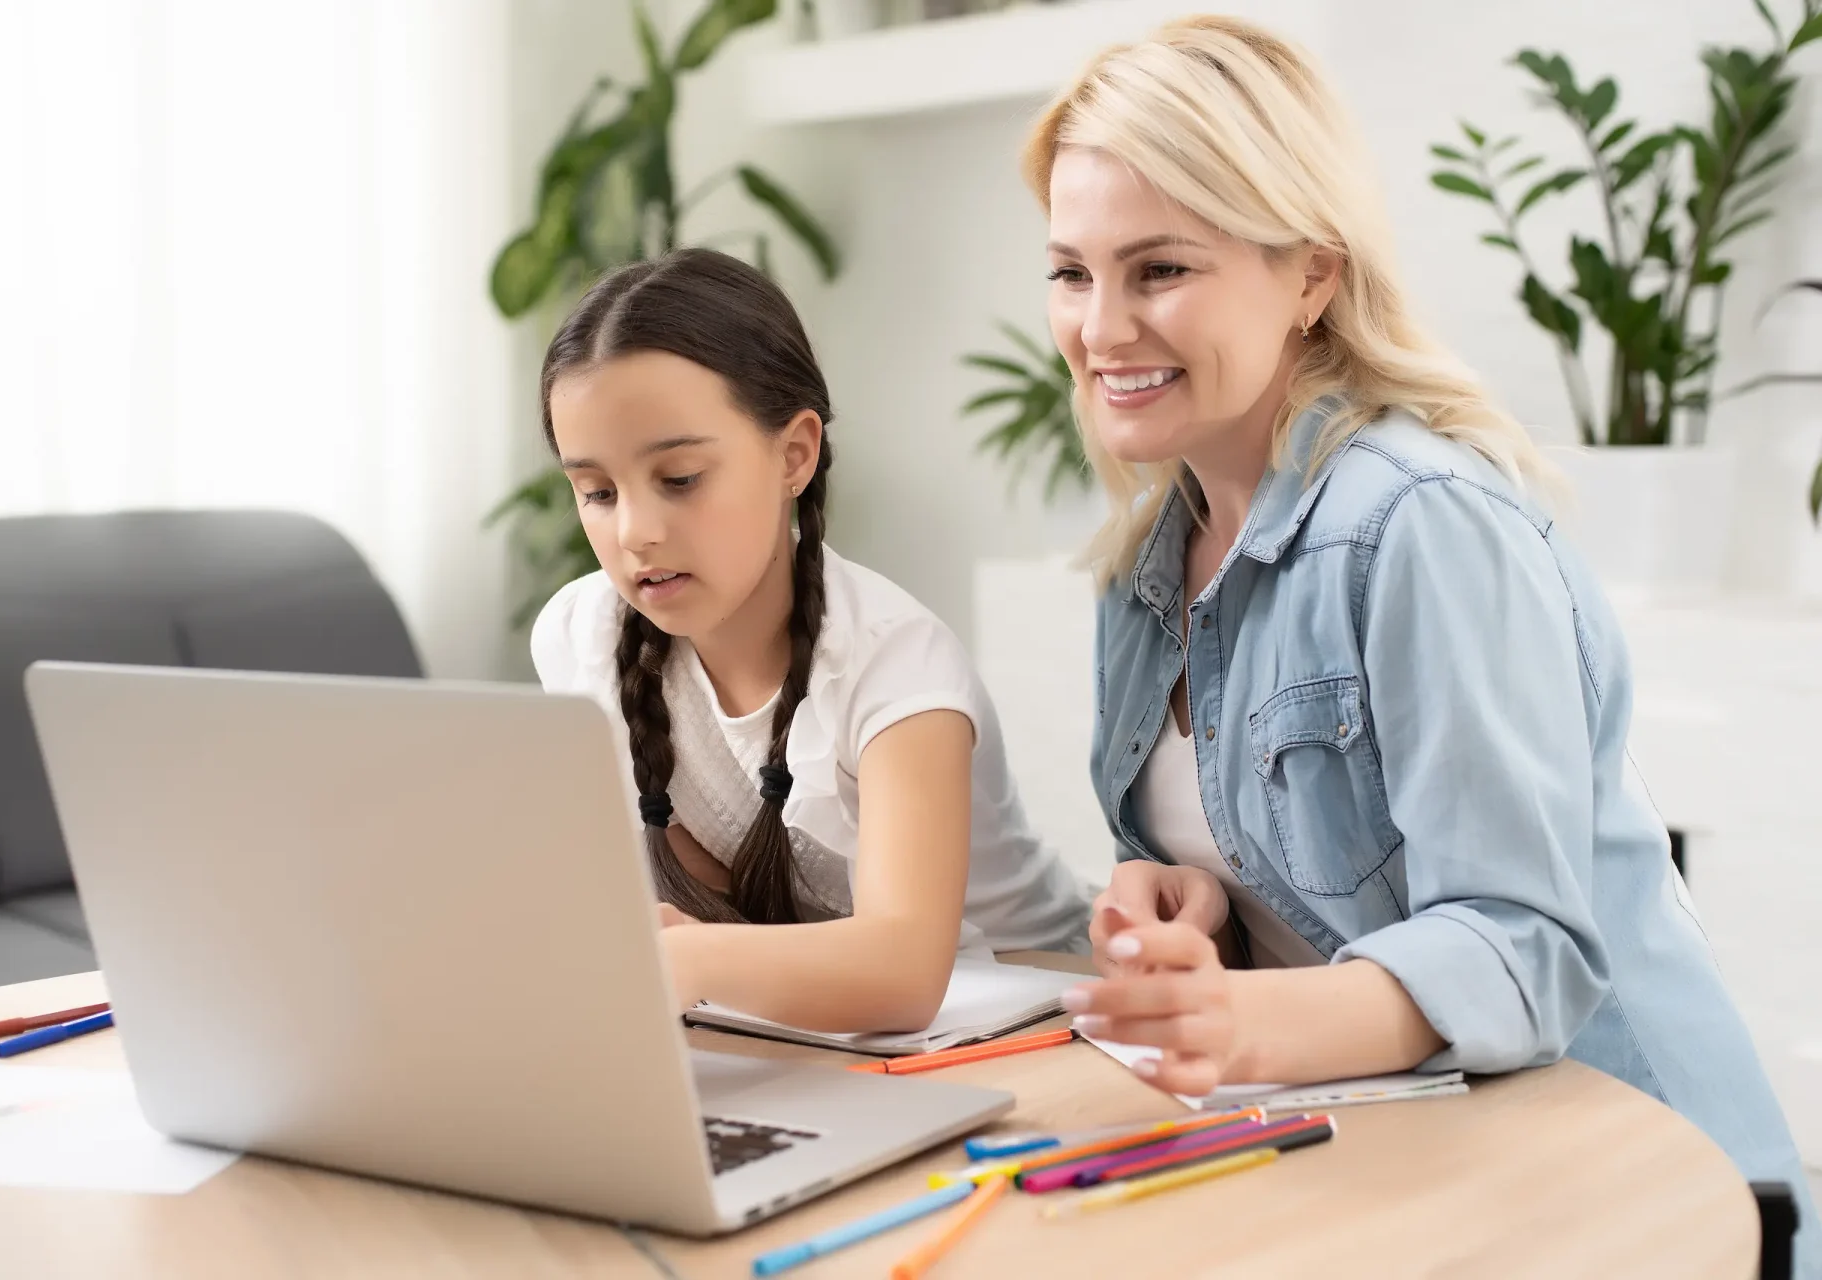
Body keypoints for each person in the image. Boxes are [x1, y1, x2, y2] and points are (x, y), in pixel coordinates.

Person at [1031, 16, 1816, 1269]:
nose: (1103, 325)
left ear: (1311, 275)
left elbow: (1520, 947)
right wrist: (1185, 911)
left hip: (1644, 1190)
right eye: (1073, 271)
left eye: (1161, 268)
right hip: (1408, 1165)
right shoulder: (1144, 569)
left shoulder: (1419, 523)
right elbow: (1277, 889)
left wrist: (1247, 1017)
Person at [529, 248, 1090, 1034]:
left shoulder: (895, 664)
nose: (636, 533)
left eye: (680, 478)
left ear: (795, 453)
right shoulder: (579, 636)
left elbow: (904, 973)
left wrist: (688, 962)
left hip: (1032, 1026)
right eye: (597, 492)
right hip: (789, 1033)